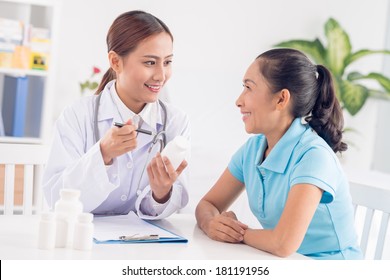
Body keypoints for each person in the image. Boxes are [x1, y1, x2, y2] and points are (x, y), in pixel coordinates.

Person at [195, 48, 363, 260]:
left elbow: (283, 244)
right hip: (284, 265)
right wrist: (211, 223)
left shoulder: (313, 156)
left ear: (281, 99)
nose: (239, 100)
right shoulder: (252, 150)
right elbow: (208, 204)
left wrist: (237, 232)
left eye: (248, 88)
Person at [43, 10, 190, 219]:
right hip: (83, 238)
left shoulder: (175, 122)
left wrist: (161, 194)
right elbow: (56, 197)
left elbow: (172, 204)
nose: (161, 75)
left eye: (167, 62)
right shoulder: (77, 116)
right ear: (115, 62)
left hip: (144, 246)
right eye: (150, 62)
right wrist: (102, 154)